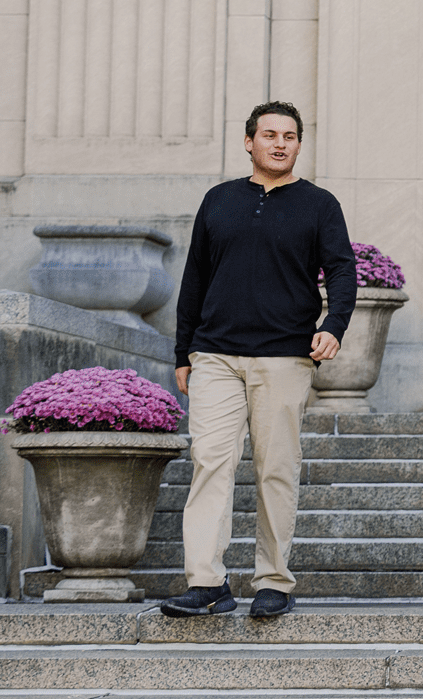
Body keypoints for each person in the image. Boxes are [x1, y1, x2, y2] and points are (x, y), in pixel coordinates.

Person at [162, 101, 355, 619]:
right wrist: (184, 352)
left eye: (289, 136)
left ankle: (272, 580)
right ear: (249, 142)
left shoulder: (319, 204)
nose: (279, 143)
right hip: (215, 356)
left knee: (276, 469)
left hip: (285, 357)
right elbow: (194, 280)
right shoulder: (219, 200)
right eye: (269, 134)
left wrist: (332, 326)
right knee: (210, 463)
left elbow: (341, 271)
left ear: (298, 145)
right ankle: (206, 582)